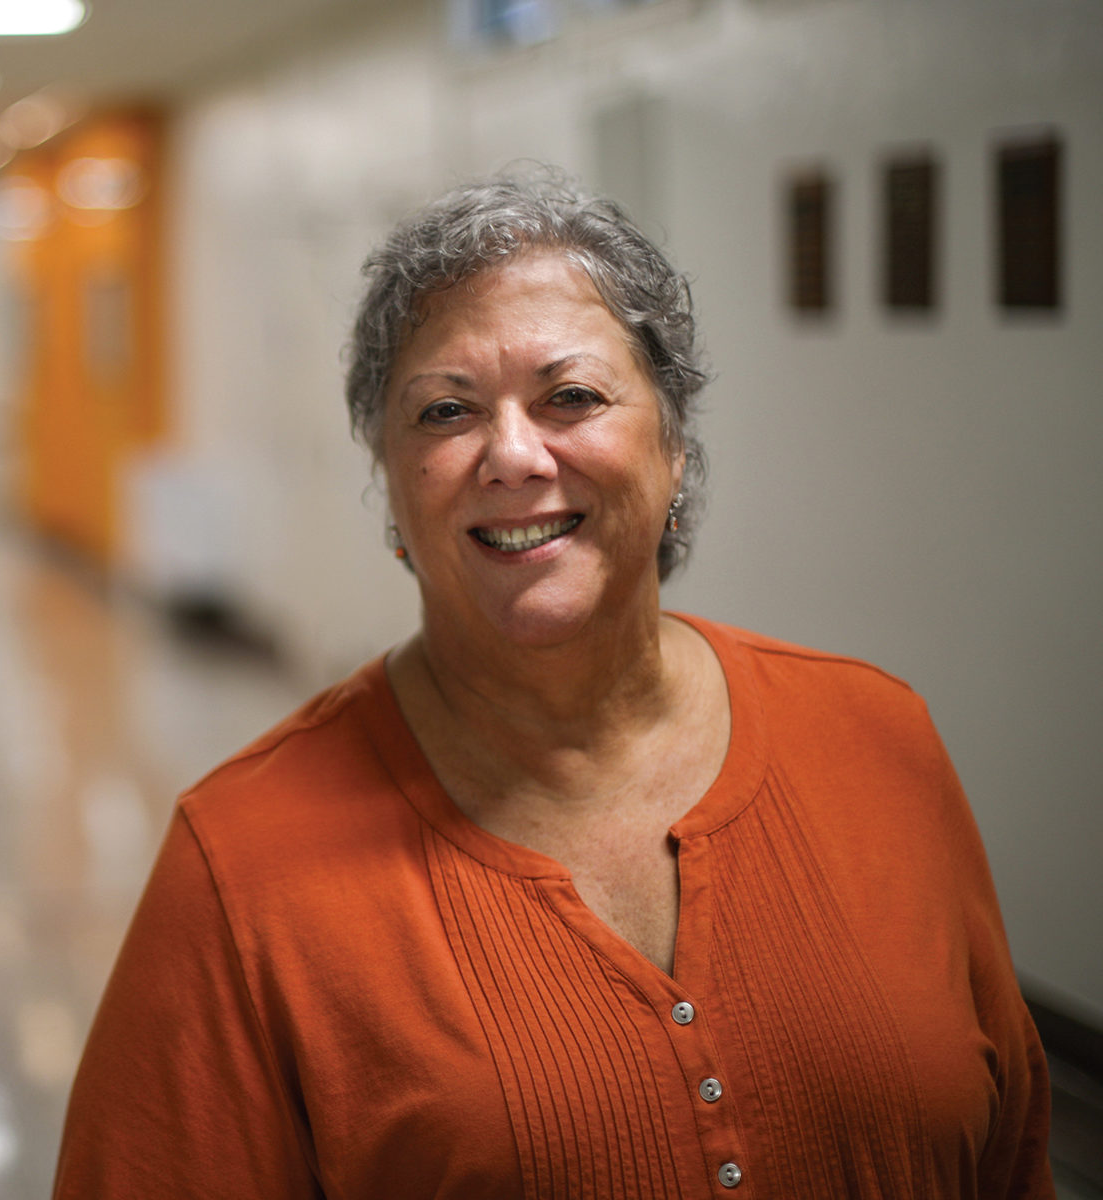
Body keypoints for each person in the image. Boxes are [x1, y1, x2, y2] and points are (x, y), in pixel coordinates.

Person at [52, 172, 1053, 1198]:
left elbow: (1012, 1151)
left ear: (671, 448)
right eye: (445, 412)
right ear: (391, 491)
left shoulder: (876, 740)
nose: (512, 454)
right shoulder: (242, 866)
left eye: (569, 396)